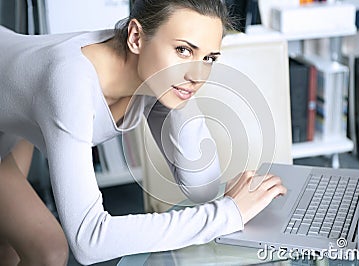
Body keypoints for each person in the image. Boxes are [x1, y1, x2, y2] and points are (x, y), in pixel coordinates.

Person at [0, 0, 287, 265]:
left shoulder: (158, 77)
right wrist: (228, 213)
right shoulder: (70, 84)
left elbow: (202, 186)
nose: (198, 76)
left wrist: (234, 199)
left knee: (8, 242)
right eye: (183, 50)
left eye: (209, 58)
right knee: (48, 250)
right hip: (24, 102)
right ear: (136, 37)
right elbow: (89, 241)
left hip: (17, 112)